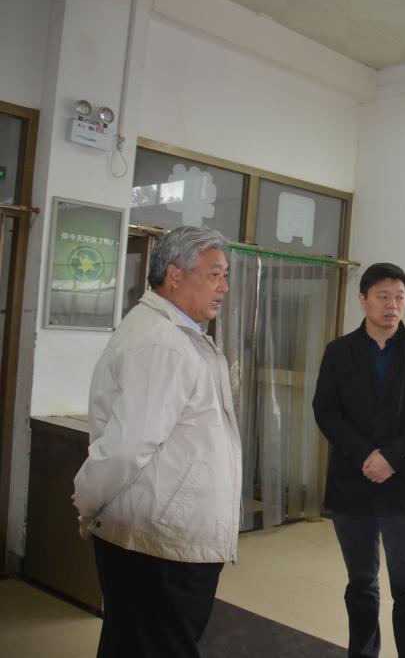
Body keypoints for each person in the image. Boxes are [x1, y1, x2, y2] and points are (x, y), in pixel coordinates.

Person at [72, 226, 240, 658]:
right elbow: (127, 448)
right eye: (215, 274)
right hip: (159, 544)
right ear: (175, 275)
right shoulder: (164, 343)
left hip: (157, 537)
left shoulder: (174, 334)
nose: (223, 287)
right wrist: (86, 502)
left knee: (131, 645)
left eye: (225, 276)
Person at [312, 262, 405, 658]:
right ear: (363, 300)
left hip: (404, 485)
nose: (392, 305)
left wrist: (391, 458)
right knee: (361, 584)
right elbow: (326, 410)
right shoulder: (339, 352)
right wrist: (366, 455)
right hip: (352, 483)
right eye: (383, 296)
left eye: (399, 297)